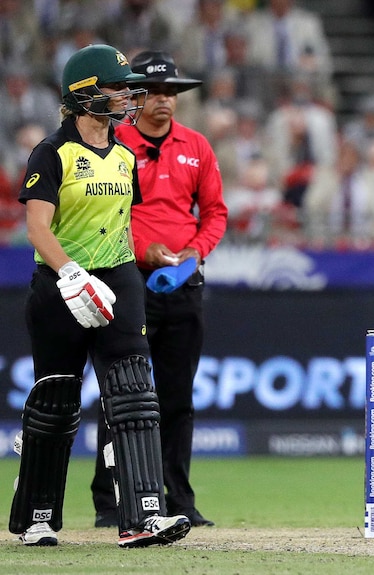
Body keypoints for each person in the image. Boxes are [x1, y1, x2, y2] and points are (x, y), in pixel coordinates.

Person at [10, 43, 191, 548]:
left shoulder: (126, 155)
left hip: (117, 280)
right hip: (60, 288)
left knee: (135, 394)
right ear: (85, 93)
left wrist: (143, 254)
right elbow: (37, 228)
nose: (128, 96)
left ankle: (142, 517)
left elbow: (119, 225)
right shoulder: (51, 153)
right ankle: (37, 517)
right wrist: (70, 275)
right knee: (56, 402)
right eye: (117, 87)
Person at [90, 50, 227, 529]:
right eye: (152, 92)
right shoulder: (115, 141)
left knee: (177, 396)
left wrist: (195, 252)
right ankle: (110, 502)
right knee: (123, 394)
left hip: (183, 282)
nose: (164, 100)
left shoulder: (197, 146)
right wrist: (144, 250)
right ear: (134, 96)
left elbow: (215, 214)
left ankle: (179, 501)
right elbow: (107, 214)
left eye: (171, 92)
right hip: (127, 279)